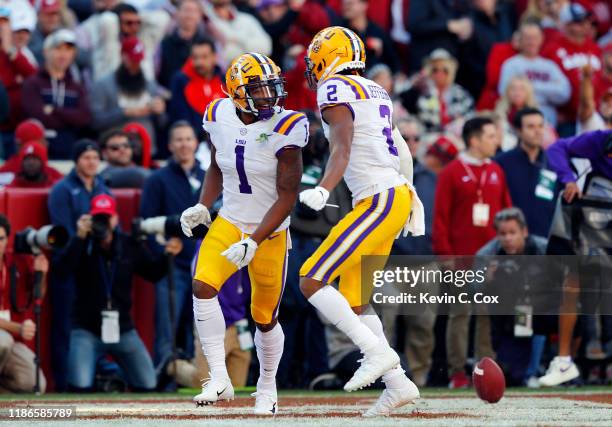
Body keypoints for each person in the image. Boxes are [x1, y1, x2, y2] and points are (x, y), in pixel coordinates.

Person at [297, 26, 424, 417]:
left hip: (378, 198)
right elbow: (401, 149)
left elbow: (342, 146)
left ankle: (376, 353)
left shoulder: (334, 88)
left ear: (326, 56)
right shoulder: (375, 89)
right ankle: (398, 383)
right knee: (354, 301)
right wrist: (410, 197)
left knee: (311, 279)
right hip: (392, 195)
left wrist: (323, 187)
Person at [179, 53, 307, 414]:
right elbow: (220, 164)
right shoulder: (218, 114)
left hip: (270, 230)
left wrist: (254, 240)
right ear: (237, 92)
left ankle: (267, 386)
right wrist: (204, 205)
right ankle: (218, 377)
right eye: (259, 89)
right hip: (231, 220)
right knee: (203, 285)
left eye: (271, 87)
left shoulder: (288, 126)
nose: (270, 96)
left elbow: (287, 195)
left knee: (264, 316)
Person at [55, 194, 182, 391]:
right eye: (98, 218)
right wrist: (79, 237)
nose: (102, 224)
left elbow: (153, 273)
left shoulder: (128, 245)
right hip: (86, 328)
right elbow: (61, 272)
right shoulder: (82, 244)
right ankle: (107, 377)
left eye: (106, 218)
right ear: (89, 219)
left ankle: (114, 376)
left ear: (115, 219)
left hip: (122, 328)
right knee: (79, 385)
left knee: (148, 383)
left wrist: (168, 255)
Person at [432, 116, 513, 389]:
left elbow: (506, 214)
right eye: (491, 136)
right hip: (460, 260)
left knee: (487, 317)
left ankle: (485, 371)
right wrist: (446, 257)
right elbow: (440, 218)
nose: (496, 141)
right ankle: (456, 373)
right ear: (474, 140)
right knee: (460, 315)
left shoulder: (498, 170)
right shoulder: (452, 172)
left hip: (489, 260)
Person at [140, 122, 204, 377]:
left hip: (202, 263)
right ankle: (163, 377)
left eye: (188, 139)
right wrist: (163, 245)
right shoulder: (157, 180)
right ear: (170, 146)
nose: (184, 144)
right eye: (179, 140)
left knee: (197, 324)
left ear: (196, 143)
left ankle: (194, 376)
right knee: (168, 326)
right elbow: (146, 221)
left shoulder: (207, 175)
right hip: (173, 266)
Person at [47, 139, 111, 391]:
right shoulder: (62, 190)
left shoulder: (103, 188)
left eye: (95, 157)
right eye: (86, 157)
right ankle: (62, 384)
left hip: (94, 268)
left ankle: (91, 380)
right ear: (76, 161)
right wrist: (79, 233)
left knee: (92, 325)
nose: (92, 161)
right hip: (67, 267)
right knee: (64, 327)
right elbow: (60, 235)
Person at [476, 207, 548, 387]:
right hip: (504, 315)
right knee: (511, 374)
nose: (508, 238)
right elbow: (472, 292)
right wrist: (486, 281)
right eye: (503, 233)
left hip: (538, 310)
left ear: (524, 232)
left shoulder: (543, 249)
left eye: (512, 232)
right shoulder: (486, 255)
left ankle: (537, 369)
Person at [21, 29, 91, 159]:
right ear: (46, 51)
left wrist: (54, 110)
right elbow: (36, 115)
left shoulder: (76, 87)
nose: (63, 54)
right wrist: (69, 116)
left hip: (69, 149)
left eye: (68, 50)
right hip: (37, 152)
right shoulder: (33, 83)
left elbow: (84, 117)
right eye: (58, 49)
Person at [0, 214, 48, 393]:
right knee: (1, 340)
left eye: (1, 239)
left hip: (12, 341)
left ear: (7, 240)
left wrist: (41, 274)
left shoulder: (16, 262)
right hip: (7, 337)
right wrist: (17, 328)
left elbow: (38, 296)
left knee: (34, 384)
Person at [90, 36, 166, 150]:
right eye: (132, 60)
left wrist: (160, 111)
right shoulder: (103, 85)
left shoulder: (150, 85)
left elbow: (163, 123)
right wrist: (125, 112)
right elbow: (95, 122)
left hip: (145, 149)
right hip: (115, 150)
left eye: (138, 60)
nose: (135, 65)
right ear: (122, 56)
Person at [495, 107, 559, 238]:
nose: (537, 131)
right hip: (510, 240)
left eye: (541, 126)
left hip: (546, 239)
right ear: (518, 130)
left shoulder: (555, 163)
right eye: (531, 127)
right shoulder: (501, 162)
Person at [542, 2, 603, 134]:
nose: (585, 25)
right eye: (579, 22)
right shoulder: (551, 49)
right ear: (566, 25)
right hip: (567, 120)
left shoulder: (594, 48)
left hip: (595, 116)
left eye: (586, 21)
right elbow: (546, 83)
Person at [498, 20, 571, 126]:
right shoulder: (511, 65)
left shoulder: (550, 66)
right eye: (527, 38)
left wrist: (529, 87)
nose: (531, 42)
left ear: (541, 39)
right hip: (520, 122)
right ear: (520, 40)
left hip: (550, 124)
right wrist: (549, 92)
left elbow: (564, 93)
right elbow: (504, 92)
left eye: (535, 38)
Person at [399, 49, 474, 135]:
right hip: (428, 137)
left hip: (456, 138)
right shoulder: (422, 92)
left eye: (445, 70)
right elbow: (401, 99)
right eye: (435, 70)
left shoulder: (460, 93)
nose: (439, 73)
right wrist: (413, 84)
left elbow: (470, 116)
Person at [168, 37, 224, 139]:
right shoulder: (181, 80)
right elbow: (181, 116)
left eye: (204, 57)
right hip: (194, 140)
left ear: (214, 57)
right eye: (195, 57)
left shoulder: (225, 79)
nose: (199, 62)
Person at [0, 7, 38, 156]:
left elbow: (34, 78)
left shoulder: (24, 55)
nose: (21, 36)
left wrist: (11, 51)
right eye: (17, 32)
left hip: (19, 129)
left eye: (25, 32)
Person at [202, 0, 272, 65]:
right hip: (226, 74)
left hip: (254, 70)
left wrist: (238, 39)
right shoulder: (207, 23)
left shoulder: (247, 19)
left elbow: (266, 47)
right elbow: (224, 56)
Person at [342, 0, 400, 73]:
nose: (346, 7)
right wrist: (367, 43)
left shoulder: (377, 31)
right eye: (344, 4)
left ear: (364, 5)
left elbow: (394, 61)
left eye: (350, 3)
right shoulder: (341, 30)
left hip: (376, 79)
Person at [157, 0, 204, 89]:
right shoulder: (165, 43)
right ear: (177, 13)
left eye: (194, 11)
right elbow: (157, 73)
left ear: (200, 15)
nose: (189, 15)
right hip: (170, 95)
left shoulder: (207, 44)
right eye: (186, 10)